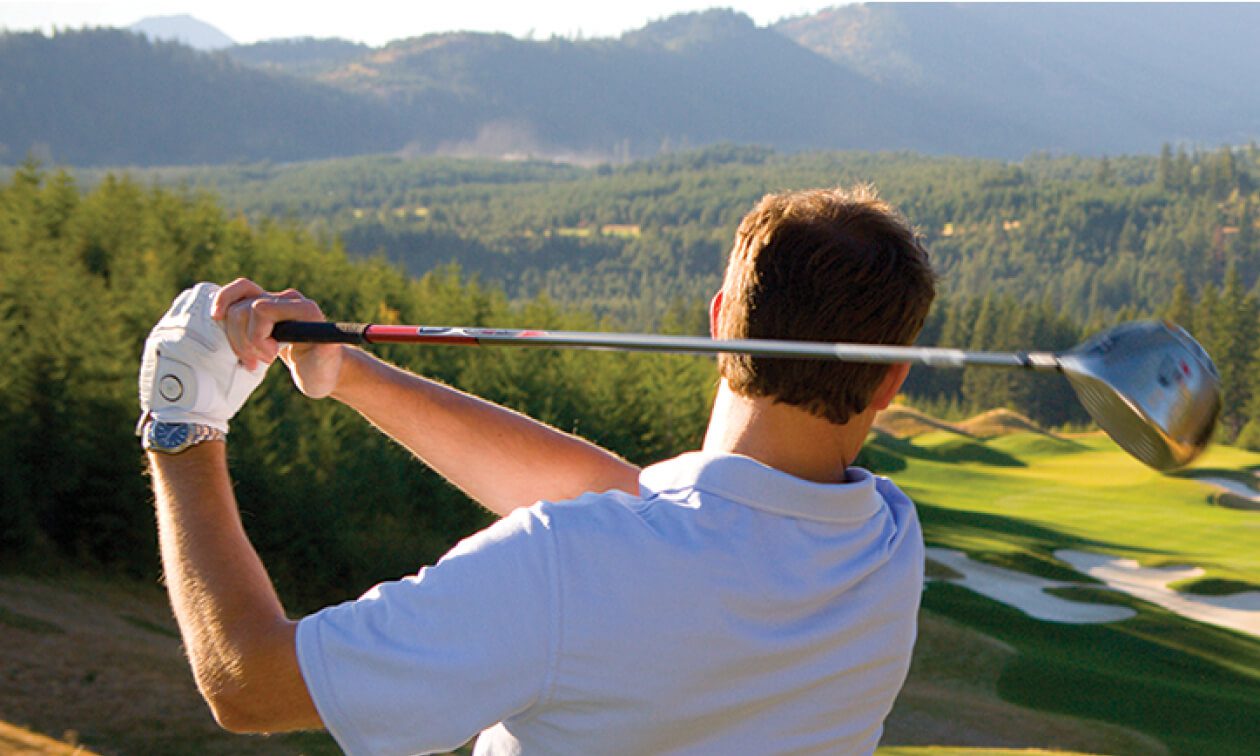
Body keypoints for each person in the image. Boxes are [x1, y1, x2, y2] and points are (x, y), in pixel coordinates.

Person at [139, 185, 936, 755]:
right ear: (891, 382)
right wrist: (350, 374)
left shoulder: (566, 564)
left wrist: (182, 423)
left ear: (721, 318)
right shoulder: (890, 544)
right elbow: (634, 507)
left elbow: (250, 684)